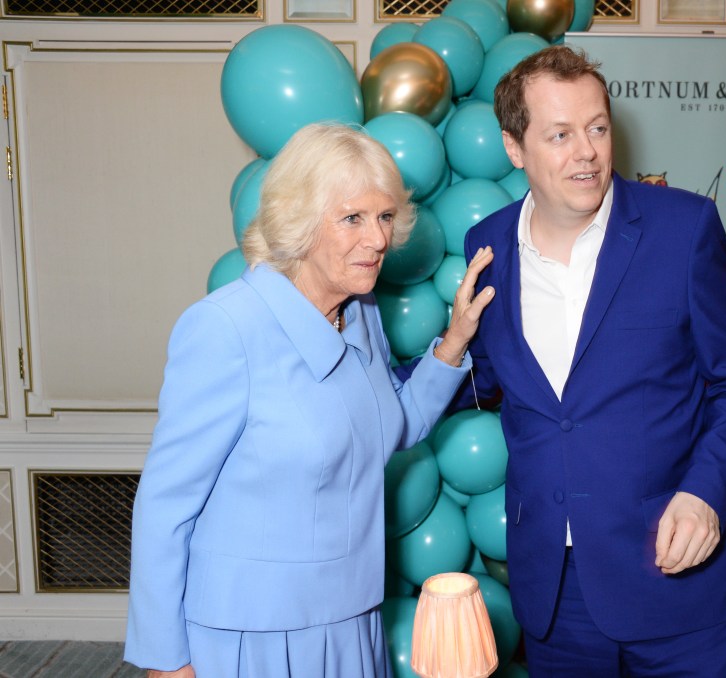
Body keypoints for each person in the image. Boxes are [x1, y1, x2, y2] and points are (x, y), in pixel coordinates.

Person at [124, 122, 494, 678]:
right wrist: (165, 659)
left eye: (385, 216)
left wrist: (455, 340)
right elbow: (165, 505)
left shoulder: (360, 311)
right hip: (250, 637)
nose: (377, 240)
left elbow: (388, 427)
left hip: (351, 620)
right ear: (298, 220)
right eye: (352, 218)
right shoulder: (225, 327)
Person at [460, 46, 726, 676]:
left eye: (597, 128)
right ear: (514, 148)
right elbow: (489, 383)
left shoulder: (684, 228)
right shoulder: (486, 243)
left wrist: (706, 496)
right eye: (560, 135)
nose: (587, 152)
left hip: (679, 580)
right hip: (555, 596)